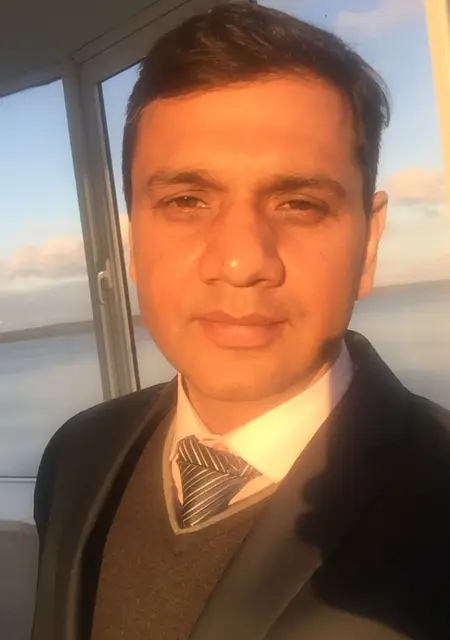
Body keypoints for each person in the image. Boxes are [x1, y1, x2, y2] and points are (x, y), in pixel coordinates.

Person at [31, 3, 450, 639]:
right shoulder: (78, 454)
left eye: (300, 203)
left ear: (368, 244)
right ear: (134, 240)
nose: (241, 261)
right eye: (187, 200)